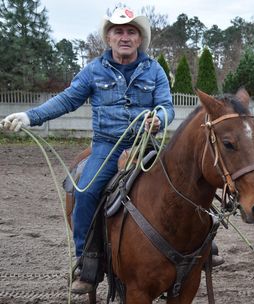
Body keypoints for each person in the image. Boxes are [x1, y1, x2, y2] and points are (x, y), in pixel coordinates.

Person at [0, 7, 176, 293]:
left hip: (146, 144)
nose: (125, 37)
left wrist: (160, 119)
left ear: (139, 39)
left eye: (131, 32)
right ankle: (87, 261)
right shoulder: (93, 70)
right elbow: (67, 100)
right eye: (118, 31)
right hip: (107, 146)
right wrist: (30, 116)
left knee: (184, 182)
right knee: (84, 191)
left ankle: (203, 248)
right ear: (108, 37)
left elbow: (167, 107)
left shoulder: (154, 69)